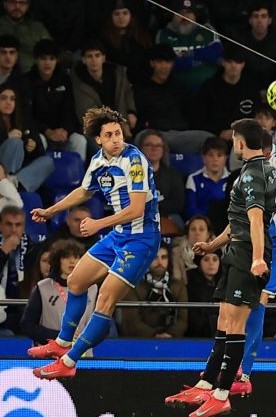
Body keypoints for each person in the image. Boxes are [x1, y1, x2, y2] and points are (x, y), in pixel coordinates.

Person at [28, 106, 161, 379]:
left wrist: (98, 224)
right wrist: (51, 211)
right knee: (76, 281)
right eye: (109, 135)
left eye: (119, 133)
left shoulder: (134, 161)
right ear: (98, 139)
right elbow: (84, 190)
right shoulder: (100, 160)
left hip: (141, 239)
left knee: (105, 298)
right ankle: (62, 342)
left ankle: (69, 361)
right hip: (118, 235)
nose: (116, 139)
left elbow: (136, 209)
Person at [163, 118, 276, 417]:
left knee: (235, 323)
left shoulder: (253, 174)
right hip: (236, 249)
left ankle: (222, 394)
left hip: (247, 253)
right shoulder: (253, 172)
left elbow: (254, 219)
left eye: (235, 139)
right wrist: (212, 246)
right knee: (225, 320)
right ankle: (206, 384)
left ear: (241, 142)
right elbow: (239, 220)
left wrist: (256, 258)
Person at [234, 141, 276, 395]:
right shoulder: (247, 170)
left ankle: (246, 372)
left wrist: (268, 175)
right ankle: (234, 366)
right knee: (242, 303)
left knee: (259, 300)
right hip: (261, 244)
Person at [118, 244, 188, 338]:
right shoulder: (134, 286)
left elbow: (183, 319)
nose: (160, 262)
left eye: (164, 257)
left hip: (172, 340)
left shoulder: (178, 286)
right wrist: (154, 335)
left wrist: (170, 334)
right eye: (155, 257)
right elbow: (132, 320)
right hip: (141, 340)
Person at [0, 204, 27, 334]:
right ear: (0, 226)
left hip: (24, 308)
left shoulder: (33, 249)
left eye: (18, 225)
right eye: (9, 224)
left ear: (24, 227)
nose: (14, 229)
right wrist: (4, 251)